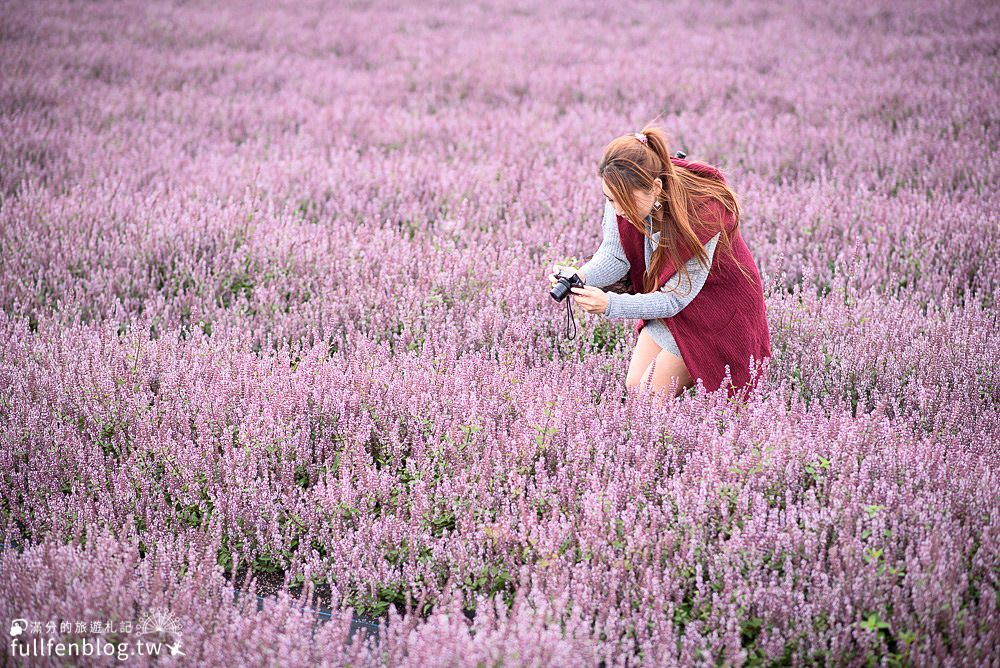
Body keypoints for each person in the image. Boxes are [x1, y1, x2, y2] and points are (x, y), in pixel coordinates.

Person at [547, 124, 771, 402]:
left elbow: (675, 298)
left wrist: (609, 305)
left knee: (649, 396)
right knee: (636, 388)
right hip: (675, 300)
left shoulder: (703, 215)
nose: (617, 211)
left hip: (717, 311)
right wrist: (580, 277)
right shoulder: (622, 191)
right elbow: (614, 256)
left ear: (655, 187)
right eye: (610, 200)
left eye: (623, 202)